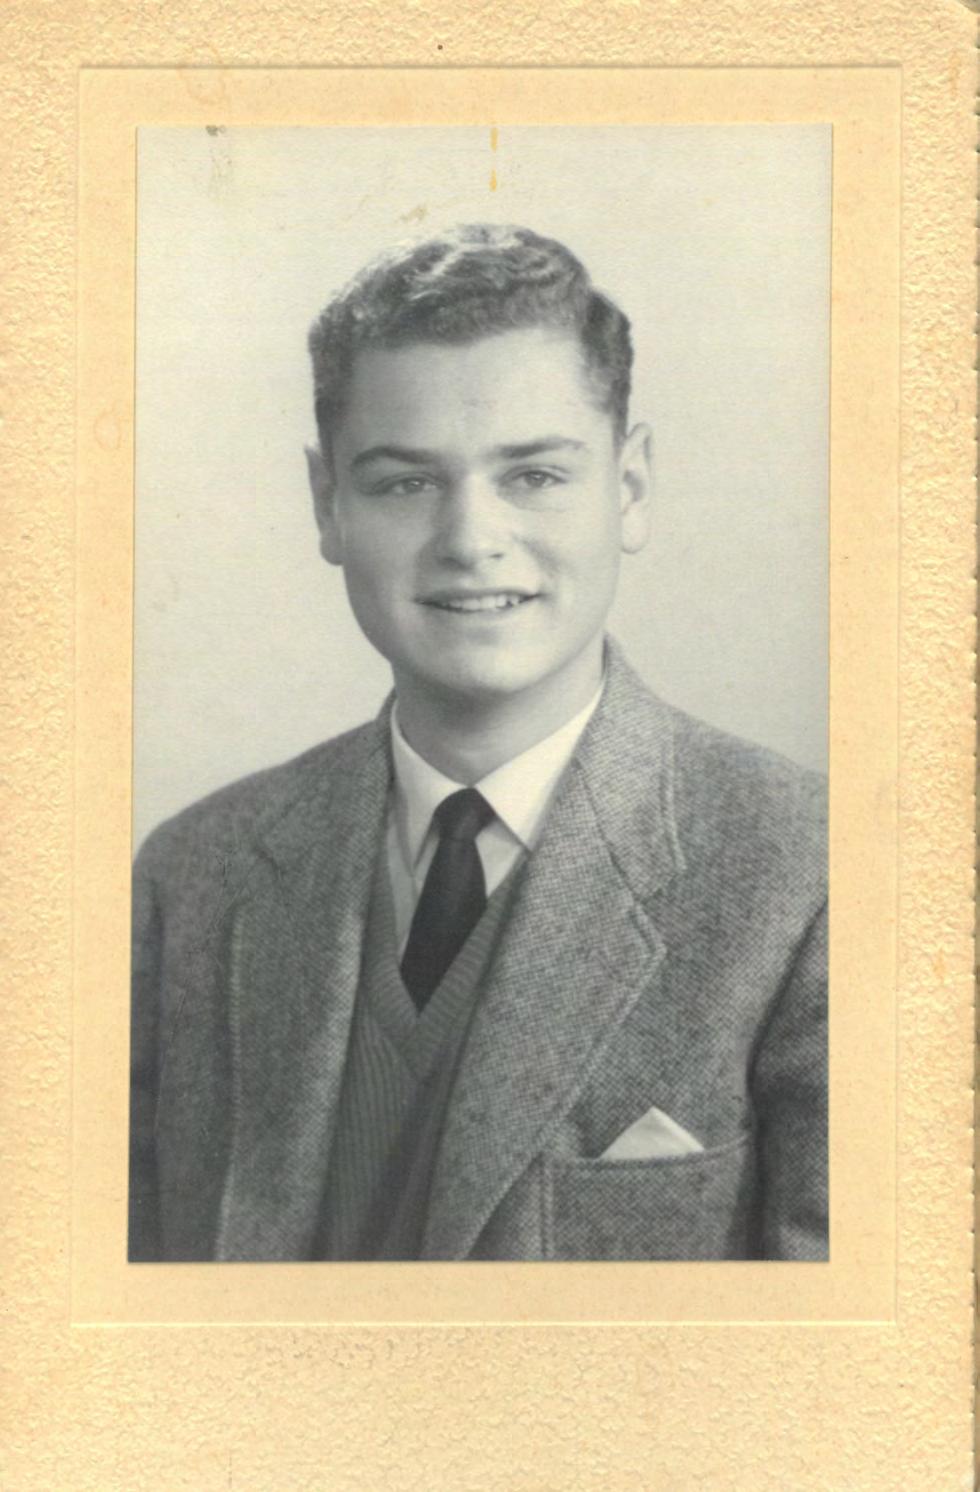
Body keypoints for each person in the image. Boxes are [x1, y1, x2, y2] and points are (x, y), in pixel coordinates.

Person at [129, 223, 827, 1263]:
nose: (470, 539)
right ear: (327, 505)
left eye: (534, 476)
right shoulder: (191, 875)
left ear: (629, 488)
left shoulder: (807, 872)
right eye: (404, 483)